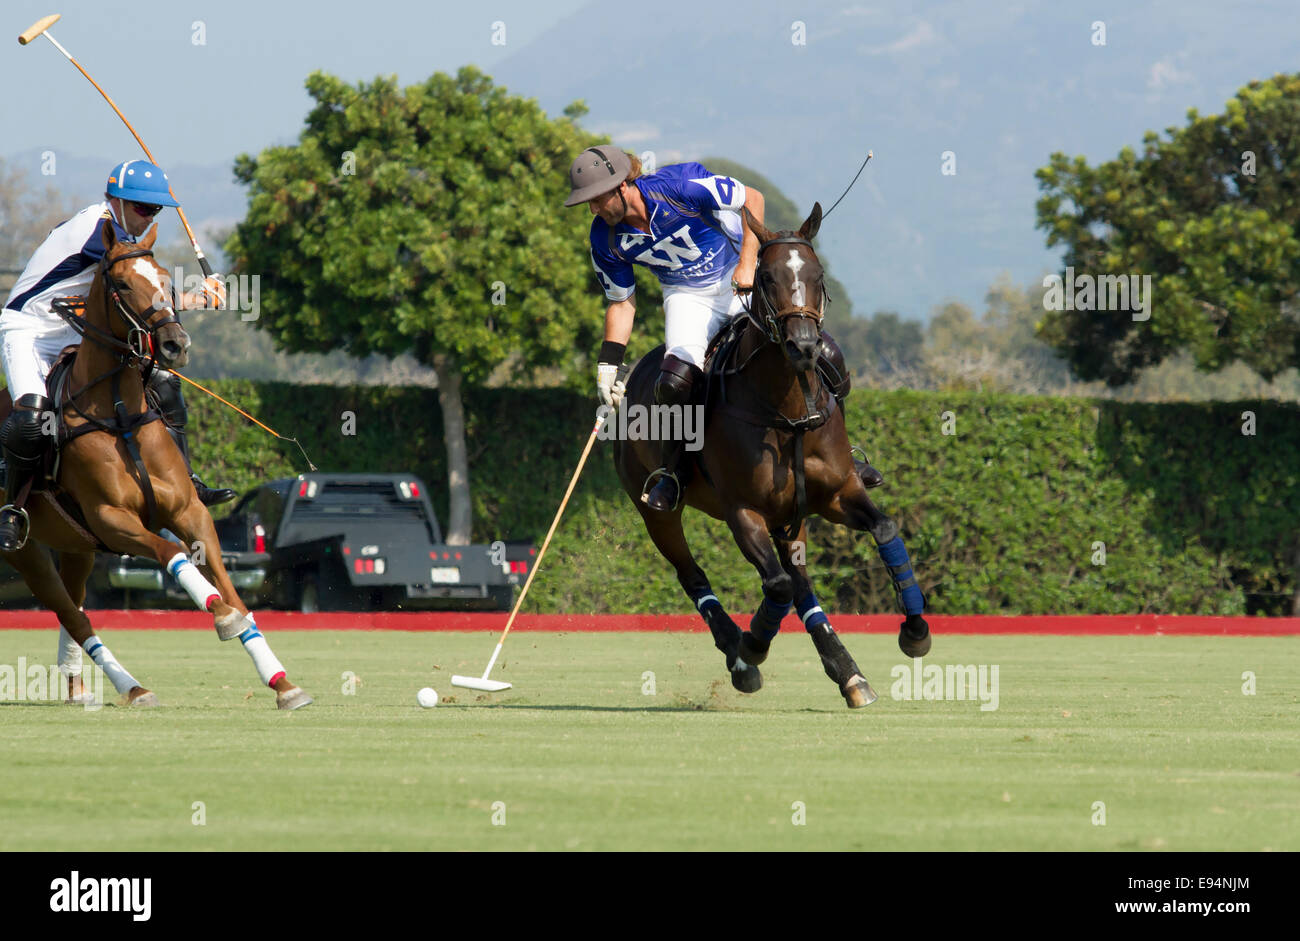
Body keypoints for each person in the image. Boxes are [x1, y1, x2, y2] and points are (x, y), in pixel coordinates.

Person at [565, 145, 879, 512]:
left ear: (622, 186)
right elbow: (622, 302)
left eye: (596, 199)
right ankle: (674, 471)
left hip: (738, 275)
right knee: (673, 382)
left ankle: (846, 455)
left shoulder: (681, 185)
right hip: (686, 296)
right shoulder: (605, 238)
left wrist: (747, 264)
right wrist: (608, 364)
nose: (593, 209)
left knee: (826, 354)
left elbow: (754, 200)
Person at [0, 159, 235, 552]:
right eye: (144, 208)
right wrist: (199, 296)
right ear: (120, 202)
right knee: (32, 418)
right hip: (29, 330)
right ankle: (12, 507)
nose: (148, 217)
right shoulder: (97, 229)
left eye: (155, 211)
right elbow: (135, 290)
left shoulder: (123, 234)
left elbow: (141, 288)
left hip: (73, 325)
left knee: (164, 383)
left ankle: (187, 482)